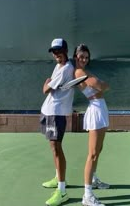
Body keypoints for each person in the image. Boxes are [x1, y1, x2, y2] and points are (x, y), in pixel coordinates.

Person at [73, 44, 110, 206]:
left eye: (86, 57)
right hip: (95, 109)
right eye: (81, 56)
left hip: (101, 108)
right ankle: (87, 196)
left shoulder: (85, 72)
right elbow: (102, 86)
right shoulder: (80, 72)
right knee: (92, 153)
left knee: (98, 150)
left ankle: (93, 179)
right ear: (76, 57)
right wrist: (100, 84)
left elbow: (101, 86)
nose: (84, 60)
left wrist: (100, 84)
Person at [40, 38, 74, 206]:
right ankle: (58, 177)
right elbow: (48, 89)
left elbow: (46, 89)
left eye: (58, 51)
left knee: (56, 147)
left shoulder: (65, 69)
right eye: (53, 51)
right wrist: (48, 83)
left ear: (65, 50)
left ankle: (62, 191)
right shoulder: (58, 66)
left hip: (56, 113)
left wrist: (46, 82)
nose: (56, 54)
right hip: (49, 111)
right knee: (54, 147)